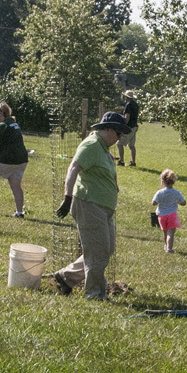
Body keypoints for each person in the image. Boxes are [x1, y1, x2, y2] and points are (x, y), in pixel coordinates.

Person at [52, 110, 130, 299]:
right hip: (89, 204)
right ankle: (94, 295)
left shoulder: (103, 148)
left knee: (106, 249)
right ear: (109, 129)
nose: (119, 139)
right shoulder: (92, 144)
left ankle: (66, 277)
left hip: (103, 206)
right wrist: (67, 197)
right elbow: (73, 168)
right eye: (118, 134)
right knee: (98, 253)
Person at [153, 168, 187, 253]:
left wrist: (159, 201)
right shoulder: (176, 193)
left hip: (162, 215)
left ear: (162, 181)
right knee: (170, 232)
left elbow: (154, 203)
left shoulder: (160, 192)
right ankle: (169, 248)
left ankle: (166, 245)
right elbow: (184, 202)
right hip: (172, 215)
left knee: (165, 232)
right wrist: (178, 202)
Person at [117, 89, 141, 166]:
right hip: (134, 126)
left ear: (127, 97)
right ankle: (133, 162)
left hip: (129, 127)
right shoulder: (136, 105)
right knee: (131, 145)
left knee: (119, 143)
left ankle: (121, 161)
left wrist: (123, 125)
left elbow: (127, 117)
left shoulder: (128, 105)